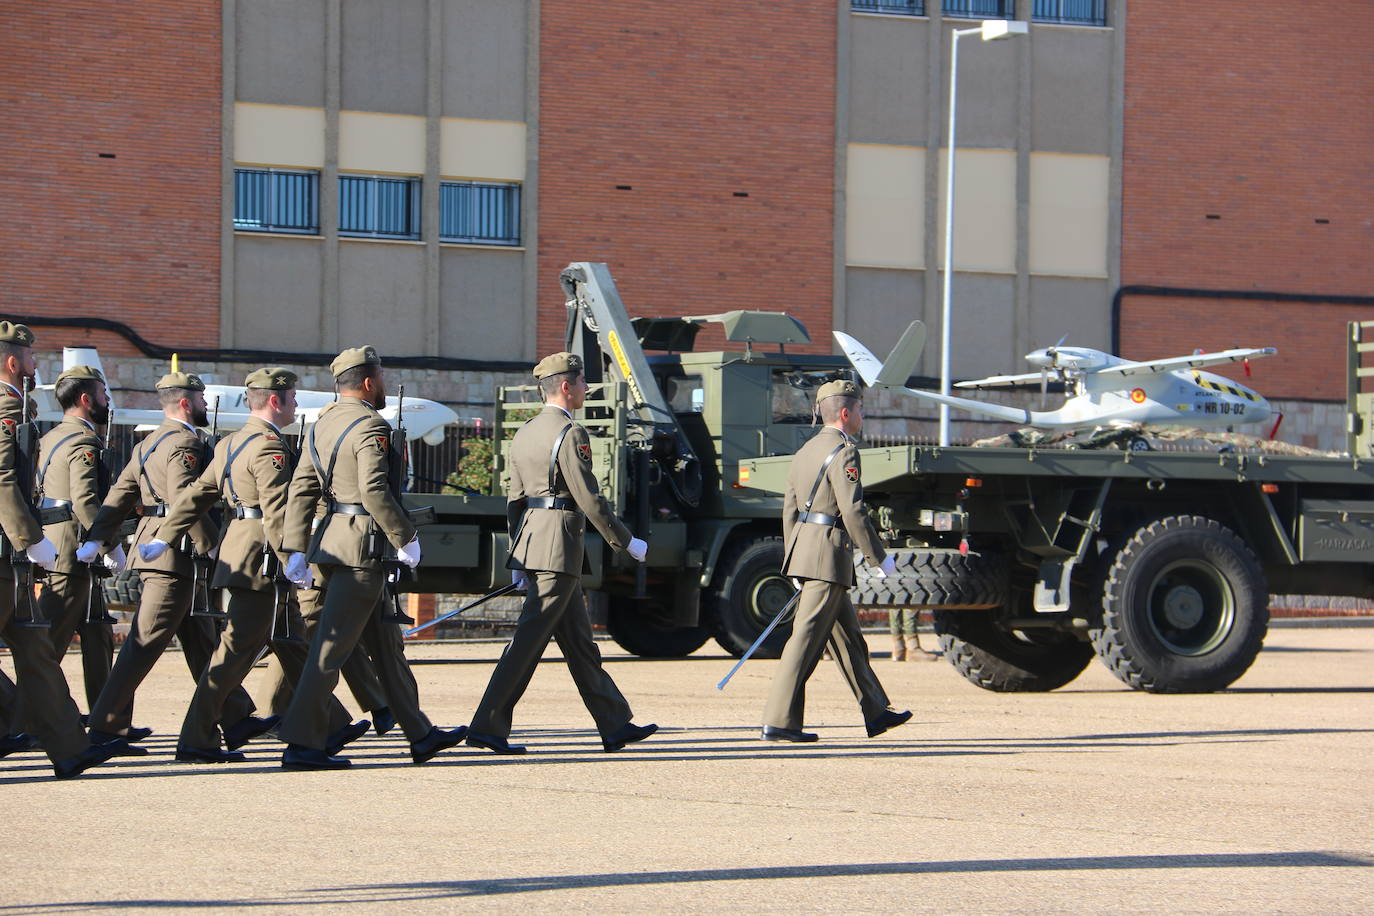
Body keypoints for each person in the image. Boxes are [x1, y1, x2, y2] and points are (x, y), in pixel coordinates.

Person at [142, 367, 369, 763]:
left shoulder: (233, 442)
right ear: (276, 400)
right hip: (262, 558)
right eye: (293, 397)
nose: (296, 404)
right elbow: (277, 511)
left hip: (243, 552)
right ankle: (196, 738)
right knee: (234, 652)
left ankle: (328, 725)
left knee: (293, 640)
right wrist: (293, 558)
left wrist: (164, 533)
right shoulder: (269, 447)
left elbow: (197, 495)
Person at [276, 345, 465, 770]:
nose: (382, 384)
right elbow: (375, 491)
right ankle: (303, 744)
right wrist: (406, 536)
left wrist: (295, 548)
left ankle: (420, 733)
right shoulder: (370, 426)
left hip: (329, 543)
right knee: (330, 649)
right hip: (363, 549)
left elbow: (302, 489)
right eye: (380, 377)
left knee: (387, 644)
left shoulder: (320, 425)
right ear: (368, 382)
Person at [466, 351, 657, 756]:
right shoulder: (570, 433)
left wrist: (517, 556)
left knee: (580, 644)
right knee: (527, 642)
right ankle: (487, 725)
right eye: (583, 382)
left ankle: (615, 724)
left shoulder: (527, 431)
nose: (586, 389)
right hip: (558, 546)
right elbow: (589, 497)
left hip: (536, 543)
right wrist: (625, 540)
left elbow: (515, 500)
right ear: (566, 387)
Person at [77, 371, 263, 755]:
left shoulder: (147, 444)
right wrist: (211, 545)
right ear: (185, 402)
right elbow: (184, 498)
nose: (204, 405)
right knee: (144, 643)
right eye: (200, 399)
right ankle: (102, 729)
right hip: (175, 553)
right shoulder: (183, 444)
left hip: (162, 548)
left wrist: (99, 537)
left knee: (203, 642)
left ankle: (235, 718)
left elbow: (118, 496)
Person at [761, 378, 911, 743]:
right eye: (859, 409)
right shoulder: (844, 451)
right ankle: (779, 720)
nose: (863, 415)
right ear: (846, 413)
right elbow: (853, 510)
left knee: (849, 640)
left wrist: (793, 559)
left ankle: (875, 711)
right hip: (828, 556)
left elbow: (790, 510)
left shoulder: (806, 450)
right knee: (805, 639)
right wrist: (879, 557)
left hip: (809, 553)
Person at [0, 321, 114, 777]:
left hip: (12, 556)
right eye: (29, 357)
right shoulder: (5, 405)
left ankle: (69, 748)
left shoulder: (18, 405)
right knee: (35, 646)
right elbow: (4, 479)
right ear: (13, 361)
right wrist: (31, 539)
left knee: (37, 652)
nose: (35, 365)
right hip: (9, 548)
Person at [31, 366, 120, 710]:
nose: (107, 400)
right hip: (73, 551)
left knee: (98, 635)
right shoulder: (83, 440)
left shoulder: (51, 437)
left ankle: (106, 719)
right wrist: (109, 543)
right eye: (103, 394)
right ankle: (26, 721)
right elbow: (85, 501)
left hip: (62, 545)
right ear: (86, 399)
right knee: (47, 646)